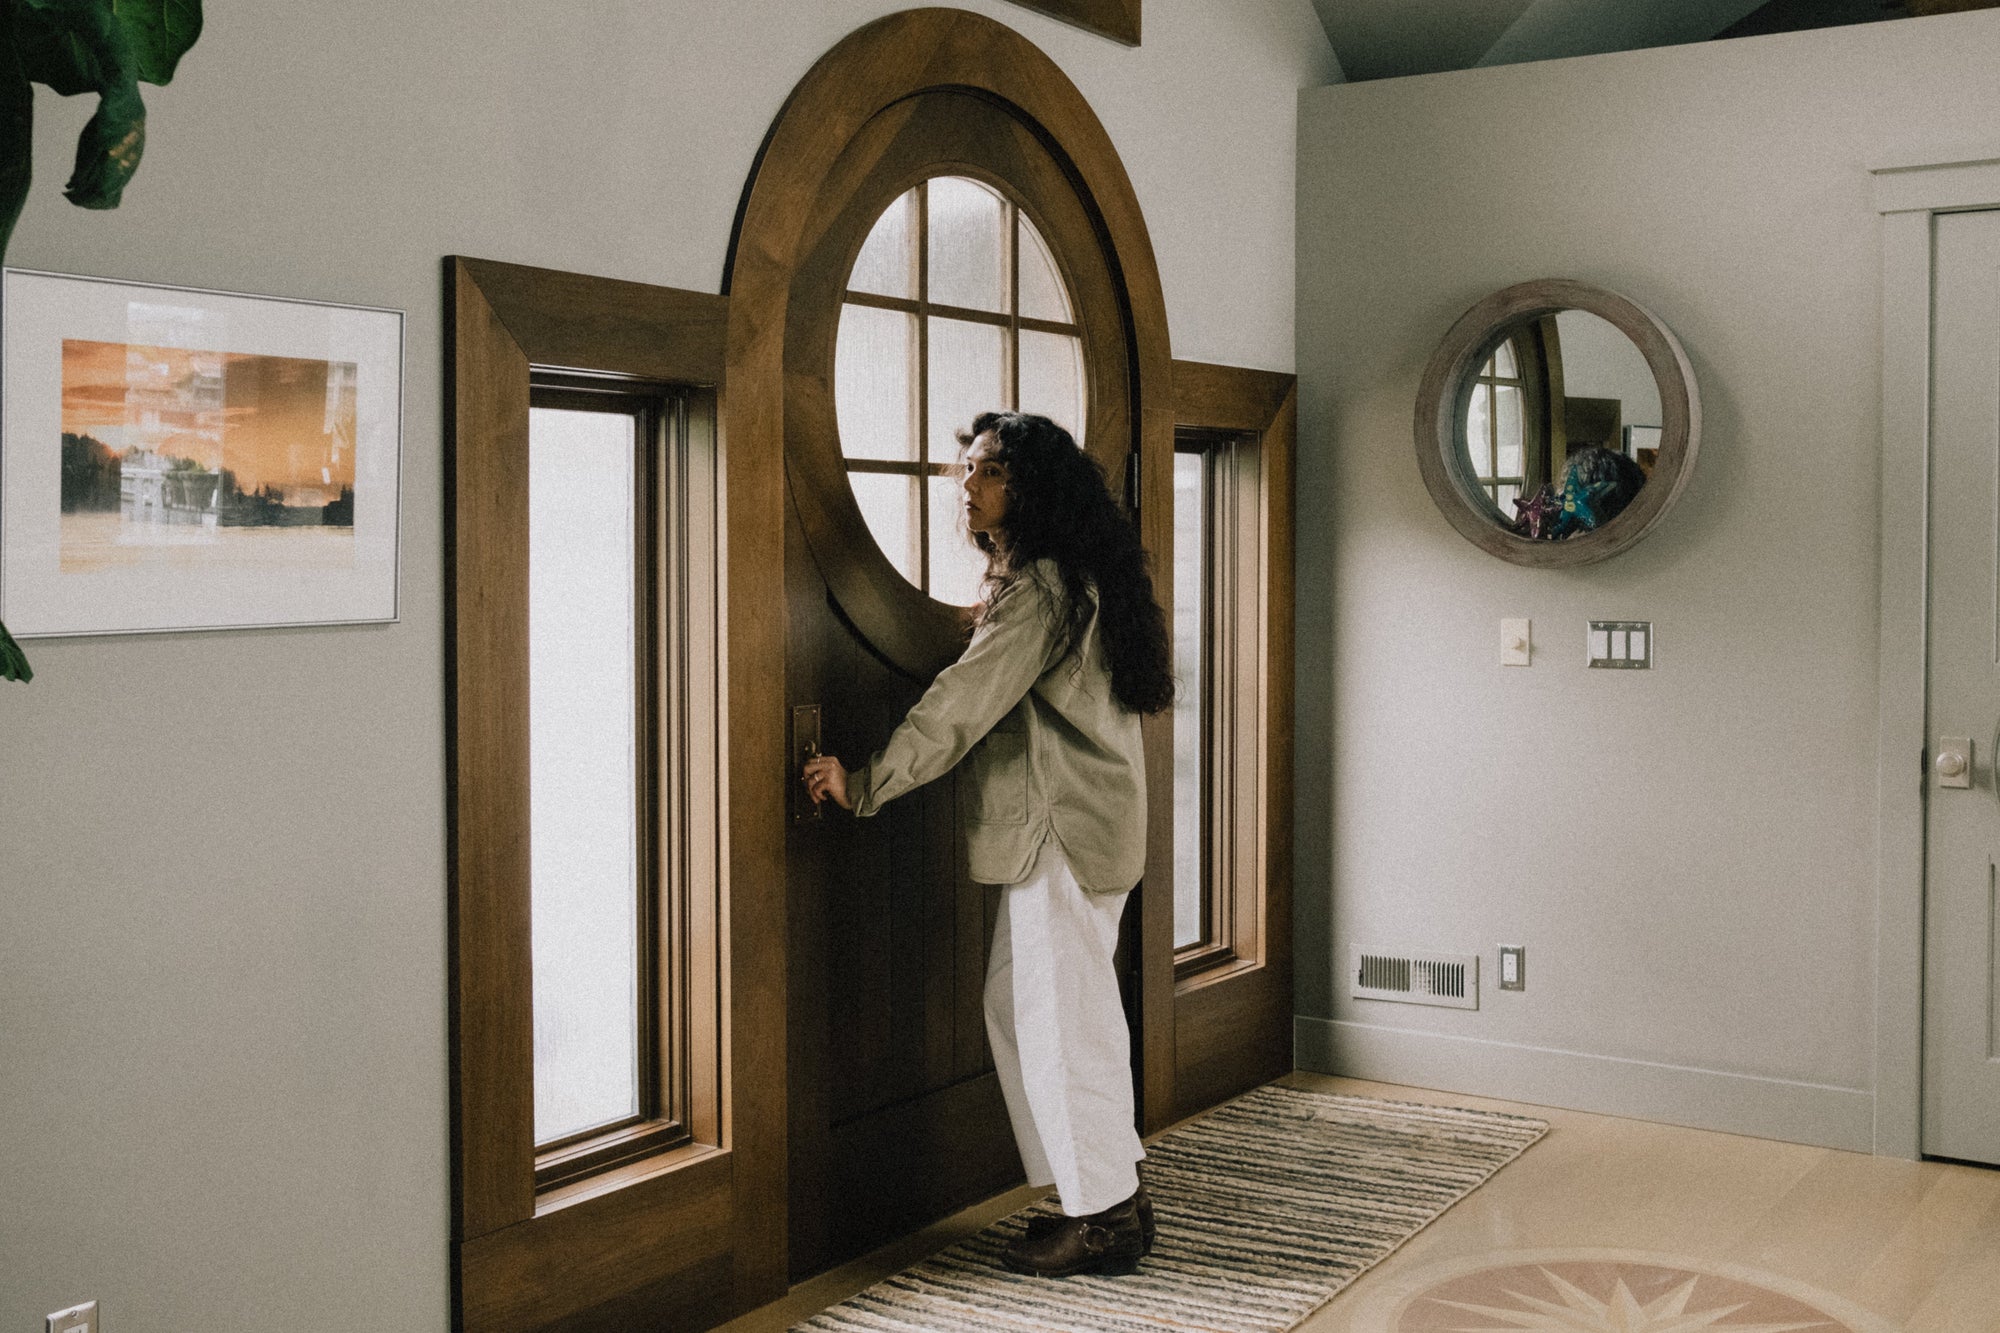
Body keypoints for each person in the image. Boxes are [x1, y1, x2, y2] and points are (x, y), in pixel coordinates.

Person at [801, 411, 1173, 1278]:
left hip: (1061, 832)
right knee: (1027, 1007)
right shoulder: (1063, 579)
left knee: (1057, 1024)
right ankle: (1109, 1192)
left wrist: (870, 782)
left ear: (1029, 489)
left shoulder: (1042, 589)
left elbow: (964, 702)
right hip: (1083, 827)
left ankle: (1104, 1219)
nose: (968, 487)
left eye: (989, 472)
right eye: (965, 470)